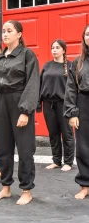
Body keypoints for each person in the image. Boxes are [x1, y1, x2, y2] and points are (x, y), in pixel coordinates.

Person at [0, 20, 39, 205]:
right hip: (0, 103)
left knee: (24, 148)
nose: (5, 34)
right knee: (3, 147)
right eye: (3, 31)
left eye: (9, 31)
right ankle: (6, 187)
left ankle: (26, 190)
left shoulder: (27, 55)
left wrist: (25, 111)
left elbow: (32, 84)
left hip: (19, 101)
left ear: (19, 34)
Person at [37, 40, 74, 171]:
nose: (54, 50)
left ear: (64, 50)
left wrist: (73, 106)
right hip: (48, 104)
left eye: (57, 48)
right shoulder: (47, 66)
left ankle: (68, 162)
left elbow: (74, 87)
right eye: (52, 48)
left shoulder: (70, 66)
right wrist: (38, 103)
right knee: (53, 134)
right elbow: (40, 85)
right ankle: (56, 160)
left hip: (64, 104)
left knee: (67, 133)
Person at [64, 24, 89, 199]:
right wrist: (72, 112)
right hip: (84, 104)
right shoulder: (77, 62)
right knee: (83, 148)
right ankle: (85, 184)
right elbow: (71, 89)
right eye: (87, 34)